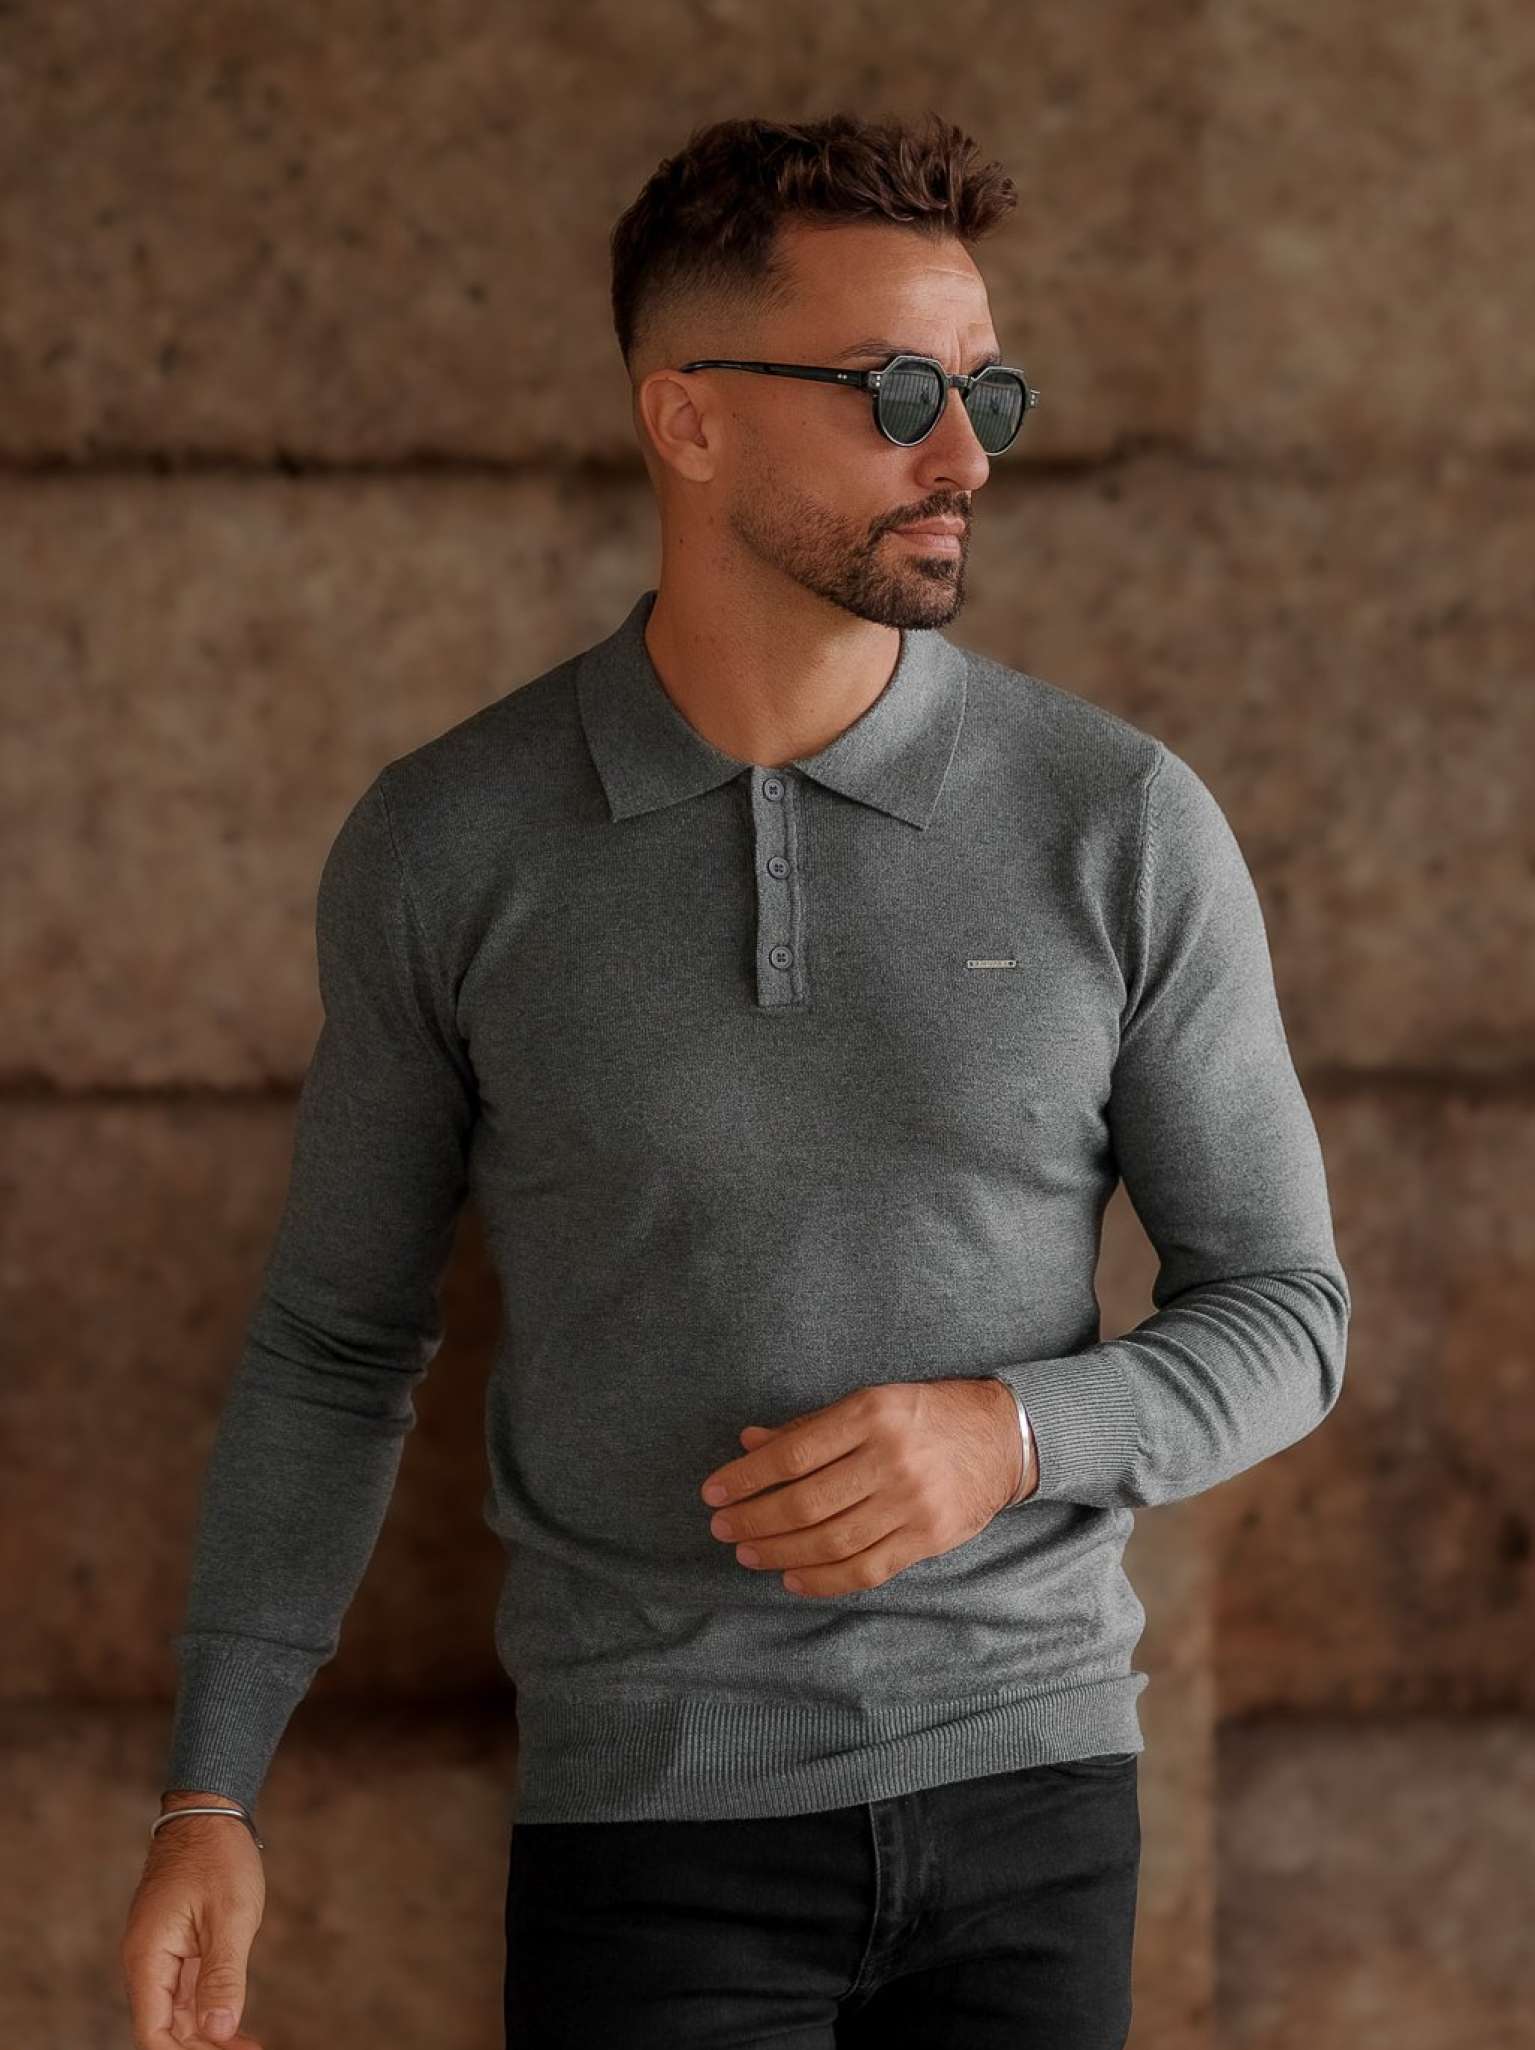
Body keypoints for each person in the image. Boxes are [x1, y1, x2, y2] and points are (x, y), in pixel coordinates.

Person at [121, 109, 1350, 2050]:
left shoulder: (1118, 820)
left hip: (1036, 1801)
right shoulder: (452, 845)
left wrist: (1011, 1434)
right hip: (646, 1831)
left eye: (985, 390)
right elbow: (337, 1343)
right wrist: (211, 1787)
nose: (965, 457)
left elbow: (1290, 1310)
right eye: (896, 392)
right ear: (685, 419)